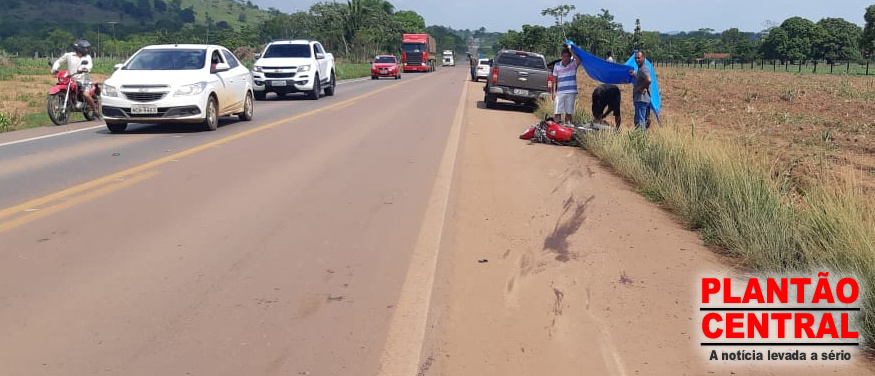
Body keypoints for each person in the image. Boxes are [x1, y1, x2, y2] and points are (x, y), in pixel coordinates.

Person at [52, 39, 99, 118]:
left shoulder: (87, 57)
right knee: (64, 89)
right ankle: (64, 111)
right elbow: (58, 62)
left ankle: (95, 111)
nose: (86, 50)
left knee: (85, 94)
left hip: (84, 80)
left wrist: (85, 69)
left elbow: (89, 65)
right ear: (79, 48)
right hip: (71, 79)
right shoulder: (69, 55)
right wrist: (54, 68)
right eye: (85, 48)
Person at [552, 46, 581, 125]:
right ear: (561, 56)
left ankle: (567, 128)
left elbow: (579, 59)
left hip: (571, 92)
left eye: (568, 56)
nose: (566, 58)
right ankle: (556, 129)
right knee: (557, 112)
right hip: (560, 92)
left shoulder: (573, 64)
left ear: (570, 57)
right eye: (564, 56)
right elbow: (554, 80)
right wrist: (554, 92)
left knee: (568, 112)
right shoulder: (557, 65)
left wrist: (571, 50)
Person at [629, 50, 652, 131]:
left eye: (639, 58)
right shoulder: (640, 69)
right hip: (641, 100)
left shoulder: (643, 69)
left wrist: (641, 88)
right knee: (641, 121)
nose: (637, 60)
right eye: (635, 58)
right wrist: (635, 75)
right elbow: (642, 79)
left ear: (643, 58)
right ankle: (642, 140)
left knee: (640, 122)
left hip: (641, 99)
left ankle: (640, 141)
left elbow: (648, 80)